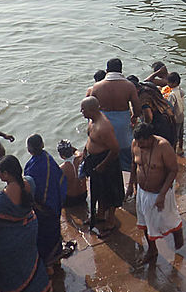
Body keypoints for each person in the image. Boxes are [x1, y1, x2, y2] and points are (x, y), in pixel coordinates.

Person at [0, 156, 52, 292]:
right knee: (31, 259)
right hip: (30, 227)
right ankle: (42, 287)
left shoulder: (2, 199)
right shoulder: (29, 182)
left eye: (0, 173)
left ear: (7, 174)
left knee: (11, 265)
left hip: (12, 238)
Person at [127, 123, 184, 261]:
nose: (139, 146)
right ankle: (152, 250)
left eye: (142, 143)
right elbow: (134, 165)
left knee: (169, 219)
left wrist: (162, 194)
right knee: (145, 221)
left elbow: (173, 170)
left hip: (161, 192)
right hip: (142, 191)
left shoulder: (163, 146)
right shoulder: (135, 143)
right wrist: (130, 186)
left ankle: (178, 236)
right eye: (138, 143)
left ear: (150, 138)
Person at [79, 96, 125, 236]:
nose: (81, 111)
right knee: (98, 190)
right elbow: (90, 138)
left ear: (92, 109)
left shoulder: (104, 127)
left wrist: (102, 165)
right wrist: (85, 152)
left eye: (83, 109)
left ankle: (110, 222)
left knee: (110, 193)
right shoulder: (92, 121)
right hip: (94, 160)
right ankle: (99, 215)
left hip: (106, 162)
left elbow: (115, 149)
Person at [87, 58, 141, 172]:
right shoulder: (129, 86)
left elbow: (90, 108)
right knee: (127, 159)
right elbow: (137, 108)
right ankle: (129, 183)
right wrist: (134, 117)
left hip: (102, 126)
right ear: (121, 70)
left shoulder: (97, 86)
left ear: (107, 71)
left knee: (106, 157)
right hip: (123, 126)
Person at [24, 134, 67, 270]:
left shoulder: (30, 166)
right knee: (53, 232)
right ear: (42, 145)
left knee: (44, 235)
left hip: (42, 208)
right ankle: (56, 260)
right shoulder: (49, 160)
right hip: (53, 204)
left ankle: (49, 266)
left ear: (29, 150)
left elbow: (29, 188)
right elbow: (60, 180)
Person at [57, 140, 87, 207]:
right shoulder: (81, 157)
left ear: (61, 156)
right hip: (83, 195)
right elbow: (76, 151)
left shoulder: (61, 169)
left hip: (70, 200)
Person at [162, 73, 186, 154]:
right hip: (181, 116)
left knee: (174, 136)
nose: (167, 84)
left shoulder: (172, 95)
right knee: (181, 134)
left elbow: (170, 107)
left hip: (175, 118)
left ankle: (173, 151)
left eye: (169, 82)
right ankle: (180, 148)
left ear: (174, 83)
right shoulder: (180, 90)